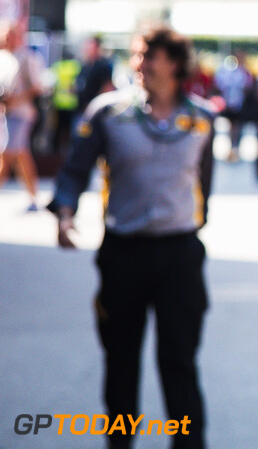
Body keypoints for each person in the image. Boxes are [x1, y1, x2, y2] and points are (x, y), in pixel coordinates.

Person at [49, 22, 214, 448]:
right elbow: (74, 171)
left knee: (178, 360)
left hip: (180, 254)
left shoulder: (201, 120)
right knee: (121, 361)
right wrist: (65, 215)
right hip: (124, 254)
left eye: (150, 56)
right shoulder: (108, 113)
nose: (139, 64)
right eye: (138, 55)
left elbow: (204, 185)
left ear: (175, 64)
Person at [0, 22, 47, 211]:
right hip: (7, 114)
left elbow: (37, 87)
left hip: (21, 114)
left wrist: (15, 99)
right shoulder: (4, 57)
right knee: (21, 156)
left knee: (7, 154)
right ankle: (33, 196)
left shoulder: (27, 57)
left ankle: (33, 197)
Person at [213, 51, 253, 162]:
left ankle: (235, 149)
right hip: (230, 104)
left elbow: (248, 86)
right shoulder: (229, 71)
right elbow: (221, 85)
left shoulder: (244, 72)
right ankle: (232, 150)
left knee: (238, 128)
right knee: (232, 128)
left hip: (239, 105)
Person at [50, 48, 82, 155]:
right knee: (69, 129)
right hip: (71, 103)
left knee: (58, 128)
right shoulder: (75, 66)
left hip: (59, 103)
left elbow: (52, 84)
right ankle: (67, 149)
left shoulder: (57, 66)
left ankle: (55, 149)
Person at [75, 34, 115, 115]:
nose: (87, 49)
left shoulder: (104, 65)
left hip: (95, 111)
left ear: (97, 48)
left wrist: (93, 105)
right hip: (81, 110)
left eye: (90, 46)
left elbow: (107, 88)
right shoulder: (85, 65)